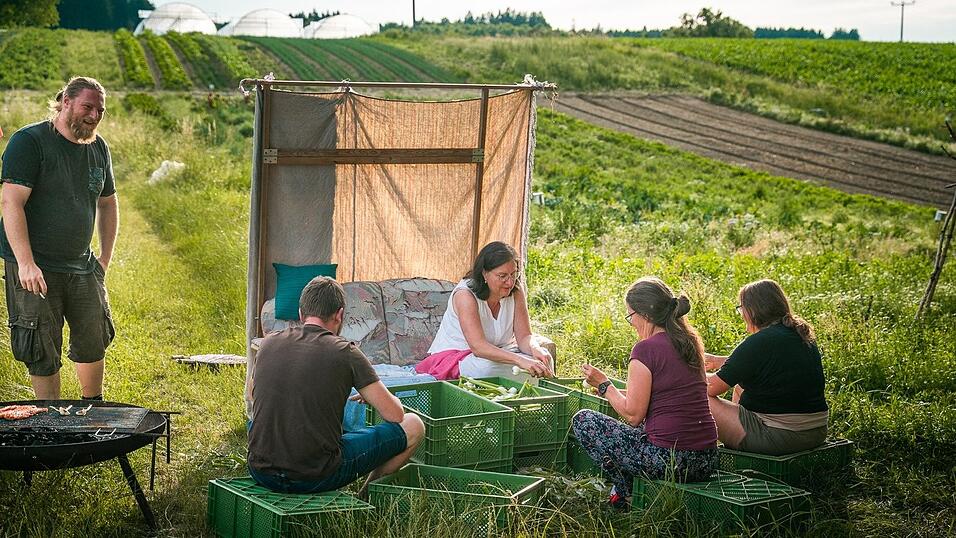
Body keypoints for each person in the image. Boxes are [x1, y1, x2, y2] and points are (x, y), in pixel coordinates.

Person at [248, 276, 425, 496]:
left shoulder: (268, 343)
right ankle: (366, 496)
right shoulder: (346, 352)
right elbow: (395, 415)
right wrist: (384, 398)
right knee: (414, 425)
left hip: (260, 470)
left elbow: (253, 396)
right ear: (340, 314)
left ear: (301, 314)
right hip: (315, 477)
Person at [0, 76, 118, 401]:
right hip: (36, 266)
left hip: (82, 264)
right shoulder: (30, 141)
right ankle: (51, 422)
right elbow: (11, 202)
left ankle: (92, 410)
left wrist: (104, 259)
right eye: (87, 107)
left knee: (94, 334)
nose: (94, 116)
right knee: (41, 344)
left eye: (100, 110)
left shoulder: (99, 147)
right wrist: (25, 263)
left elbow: (108, 203)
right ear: (66, 101)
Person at [573, 277, 718, 508]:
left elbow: (633, 414)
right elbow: (665, 394)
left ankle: (625, 493)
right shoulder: (689, 341)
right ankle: (629, 492)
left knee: (584, 421)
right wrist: (613, 391)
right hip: (706, 458)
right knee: (642, 428)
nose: (631, 323)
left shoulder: (645, 349)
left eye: (630, 316)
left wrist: (604, 385)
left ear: (646, 315)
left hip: (670, 461)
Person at [705, 279, 828, 456]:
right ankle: (739, 442)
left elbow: (711, 387)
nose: (741, 314)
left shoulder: (759, 342)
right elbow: (770, 366)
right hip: (816, 432)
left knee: (697, 395)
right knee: (740, 386)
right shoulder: (799, 334)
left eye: (741, 308)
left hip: (780, 437)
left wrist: (684, 371)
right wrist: (719, 361)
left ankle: (732, 448)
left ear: (753, 310)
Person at [419, 241, 554, 382]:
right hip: (458, 357)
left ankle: (549, 398)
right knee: (486, 368)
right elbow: (479, 348)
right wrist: (519, 360)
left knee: (544, 358)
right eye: (502, 276)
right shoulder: (465, 295)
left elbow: (524, 336)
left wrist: (535, 348)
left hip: (498, 354)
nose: (510, 282)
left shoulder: (515, 290)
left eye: (513, 274)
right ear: (484, 273)